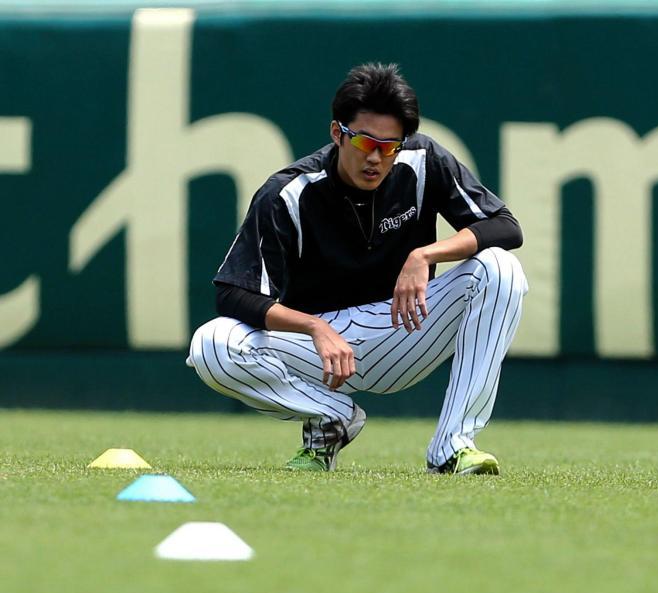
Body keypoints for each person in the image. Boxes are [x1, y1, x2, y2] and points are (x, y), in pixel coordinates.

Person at [187, 62, 527, 475]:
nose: (377, 158)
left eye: (390, 147)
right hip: (317, 350)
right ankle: (332, 417)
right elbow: (232, 294)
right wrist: (315, 327)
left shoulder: (423, 160)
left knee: (500, 268)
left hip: (402, 328)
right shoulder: (288, 193)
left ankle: (453, 446)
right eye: (366, 143)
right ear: (337, 133)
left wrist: (425, 255)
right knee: (211, 344)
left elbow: (505, 226)